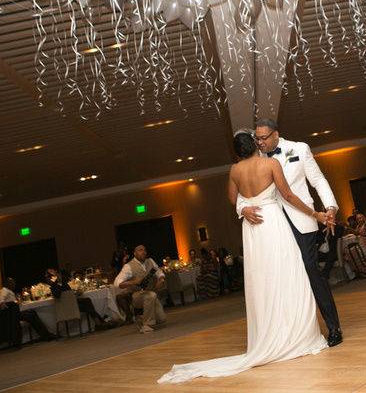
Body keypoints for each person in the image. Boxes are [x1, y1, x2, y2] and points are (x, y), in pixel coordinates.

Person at [158, 131, 329, 383]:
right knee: (289, 274)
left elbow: (231, 198)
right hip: (272, 223)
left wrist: (244, 208)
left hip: (253, 228)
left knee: (262, 280)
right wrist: (315, 215)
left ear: (237, 151)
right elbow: (289, 196)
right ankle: (295, 336)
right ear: (255, 145)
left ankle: (270, 335)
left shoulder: (234, 170)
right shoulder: (271, 163)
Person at [239, 118, 342, 347]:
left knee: (310, 270)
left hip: (302, 221)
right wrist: (242, 208)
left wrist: (330, 207)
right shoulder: (255, 158)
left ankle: (333, 327)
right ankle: (296, 333)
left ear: (276, 134)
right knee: (284, 278)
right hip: (273, 226)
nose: (260, 142)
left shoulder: (299, 148)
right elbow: (241, 191)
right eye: (257, 138)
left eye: (264, 138)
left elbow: (318, 180)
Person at [114, 244, 166, 333]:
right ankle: (146, 325)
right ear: (135, 253)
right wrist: (133, 282)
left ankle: (140, 318)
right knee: (151, 295)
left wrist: (161, 279)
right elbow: (116, 283)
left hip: (149, 294)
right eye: (140, 250)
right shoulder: (128, 266)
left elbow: (159, 272)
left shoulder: (150, 261)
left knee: (162, 319)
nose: (143, 252)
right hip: (135, 296)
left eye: (144, 250)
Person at [44, 269, 112, 329]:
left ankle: (99, 322)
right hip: (66, 307)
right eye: (55, 275)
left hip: (71, 303)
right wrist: (58, 284)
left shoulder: (63, 283)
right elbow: (58, 296)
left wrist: (75, 294)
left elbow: (68, 293)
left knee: (87, 300)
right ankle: (99, 322)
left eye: (58, 274)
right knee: (87, 306)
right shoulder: (54, 286)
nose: (57, 276)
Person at [342, 212, 366, 277]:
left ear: (364, 217)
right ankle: (361, 271)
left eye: (361, 218)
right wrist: (347, 227)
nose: (360, 220)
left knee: (357, 251)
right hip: (362, 242)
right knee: (350, 251)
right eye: (358, 219)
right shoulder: (358, 226)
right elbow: (356, 233)